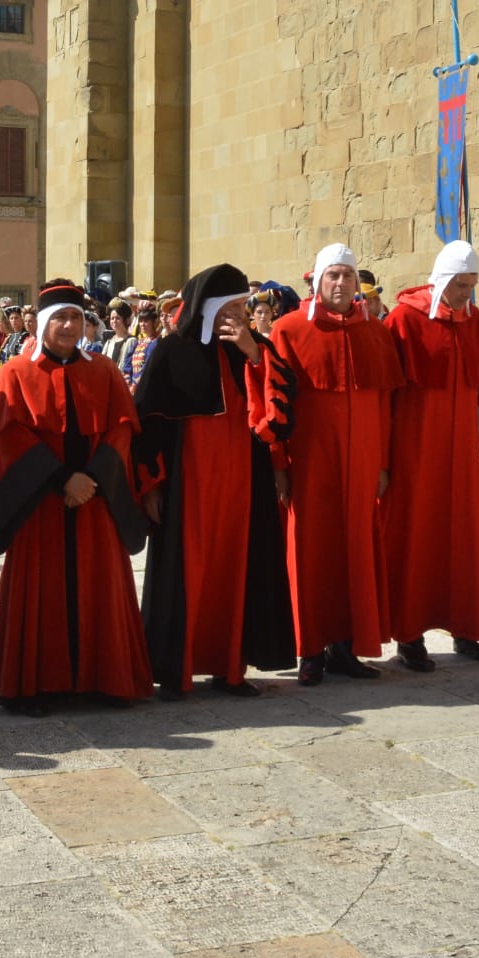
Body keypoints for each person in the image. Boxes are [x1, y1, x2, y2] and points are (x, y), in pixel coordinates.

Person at [0, 280, 154, 713]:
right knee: (44, 590)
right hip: (41, 505)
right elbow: (11, 437)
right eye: (59, 317)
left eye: (76, 317)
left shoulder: (104, 371)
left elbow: (120, 427)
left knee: (98, 587)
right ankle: (38, 685)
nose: (68, 325)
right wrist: (61, 480)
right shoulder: (16, 374)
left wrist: (92, 478)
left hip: (95, 500)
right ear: (42, 323)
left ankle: (103, 679)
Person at [134, 263, 294, 699]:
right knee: (190, 573)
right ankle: (176, 671)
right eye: (232, 307)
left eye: (244, 307)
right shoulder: (171, 352)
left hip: (244, 486)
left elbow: (282, 412)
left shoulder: (256, 348)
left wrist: (253, 354)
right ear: (209, 309)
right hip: (190, 487)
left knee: (237, 570)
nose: (239, 315)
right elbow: (144, 424)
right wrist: (151, 485)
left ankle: (231, 668)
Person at [254, 244, 404, 684]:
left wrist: (380, 463)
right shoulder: (287, 329)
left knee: (355, 552)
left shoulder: (375, 333)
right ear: (317, 281)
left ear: (358, 283)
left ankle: (347, 646)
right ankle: (310, 649)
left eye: (347, 276)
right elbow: (273, 405)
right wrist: (280, 465)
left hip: (360, 466)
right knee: (311, 553)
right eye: (332, 276)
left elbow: (382, 405)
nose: (340, 283)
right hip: (310, 462)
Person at [381, 241, 479, 668]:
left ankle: (467, 629)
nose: (467, 294)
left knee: (463, 540)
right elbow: (385, 395)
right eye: (460, 285)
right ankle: (409, 635)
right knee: (416, 538)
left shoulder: (477, 325)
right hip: (415, 452)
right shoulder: (403, 320)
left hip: (461, 454)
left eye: (471, 286)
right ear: (442, 281)